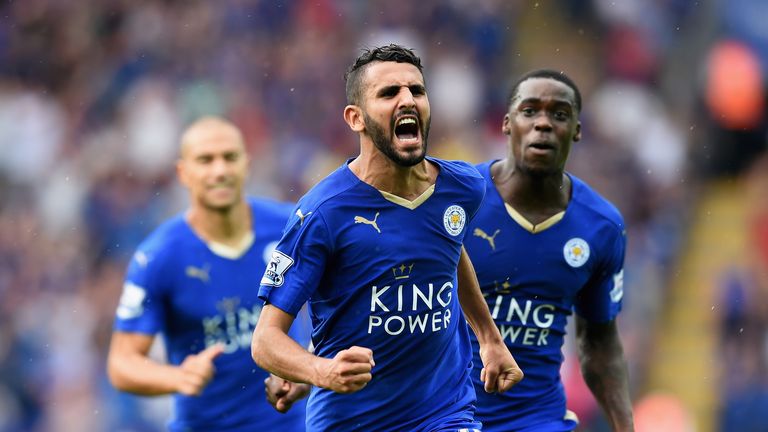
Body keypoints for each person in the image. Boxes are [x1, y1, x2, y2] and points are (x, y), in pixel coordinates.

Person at [250, 44, 523, 431]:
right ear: (355, 118)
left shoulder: (462, 187)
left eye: (417, 90)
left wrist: (490, 338)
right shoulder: (323, 213)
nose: (408, 100)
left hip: (443, 413)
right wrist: (319, 370)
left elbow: (449, 248)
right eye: (389, 93)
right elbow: (265, 340)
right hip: (352, 421)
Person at [107, 116, 308, 431]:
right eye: (205, 160)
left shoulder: (290, 228)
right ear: (183, 173)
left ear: (246, 164)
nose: (220, 170)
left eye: (229, 157)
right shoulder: (159, 256)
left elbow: (343, 304)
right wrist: (177, 377)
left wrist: (309, 369)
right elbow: (121, 363)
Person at [463, 69, 635, 431]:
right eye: (530, 111)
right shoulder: (459, 199)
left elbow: (600, 343)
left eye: (559, 114)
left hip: (536, 420)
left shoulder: (601, 226)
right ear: (507, 124)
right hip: (449, 415)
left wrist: (624, 425)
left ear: (576, 130)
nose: (543, 124)